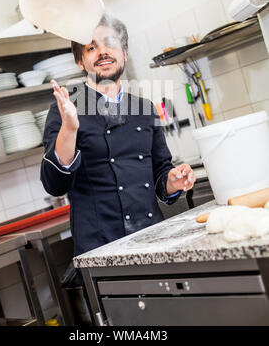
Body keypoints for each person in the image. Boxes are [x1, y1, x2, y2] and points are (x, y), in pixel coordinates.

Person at [40, 14, 196, 258]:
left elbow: (159, 171)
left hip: (152, 238)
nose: (103, 52)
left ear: (124, 53)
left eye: (111, 43)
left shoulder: (145, 109)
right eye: (92, 47)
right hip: (100, 247)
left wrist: (173, 181)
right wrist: (69, 128)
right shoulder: (66, 107)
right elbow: (54, 185)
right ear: (80, 61)